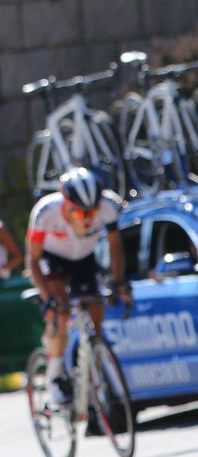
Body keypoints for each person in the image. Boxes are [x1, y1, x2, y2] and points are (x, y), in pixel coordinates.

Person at [26, 167, 129, 405]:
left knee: (96, 316)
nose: (89, 218)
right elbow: (31, 259)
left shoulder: (108, 206)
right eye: (81, 214)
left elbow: (115, 246)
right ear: (67, 204)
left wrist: (117, 280)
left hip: (84, 258)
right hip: (52, 260)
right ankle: (55, 373)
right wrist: (47, 297)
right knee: (60, 313)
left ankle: (96, 379)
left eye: (92, 212)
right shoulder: (45, 212)